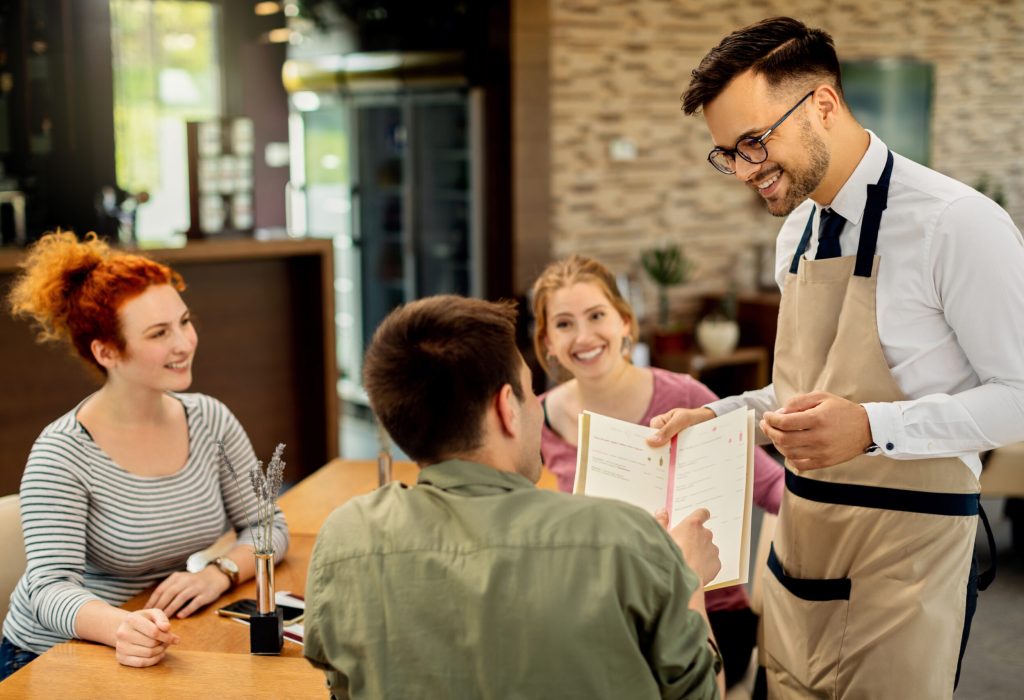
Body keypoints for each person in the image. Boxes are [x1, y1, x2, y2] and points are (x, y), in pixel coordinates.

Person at [647, 16, 1024, 698]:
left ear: (823, 104)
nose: (743, 171)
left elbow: (1018, 397)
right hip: (800, 550)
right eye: (727, 152)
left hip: (908, 562)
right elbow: (799, 390)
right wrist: (723, 416)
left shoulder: (957, 225)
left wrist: (873, 429)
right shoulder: (797, 228)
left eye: (755, 142)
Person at [303, 295, 725, 699]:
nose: (538, 410)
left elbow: (342, 686)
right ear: (507, 407)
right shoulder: (626, 539)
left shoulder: (344, 539)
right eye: (528, 391)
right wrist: (687, 578)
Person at [0, 231, 289, 679]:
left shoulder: (210, 419)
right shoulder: (61, 453)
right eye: (159, 333)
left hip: (156, 634)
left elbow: (267, 525)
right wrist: (122, 626)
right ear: (106, 351)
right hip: (51, 657)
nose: (184, 344)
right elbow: (48, 588)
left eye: (185, 321)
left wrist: (218, 572)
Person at [531, 254, 784, 688]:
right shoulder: (539, 420)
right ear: (547, 341)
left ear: (625, 323)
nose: (584, 336)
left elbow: (773, 486)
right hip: (606, 612)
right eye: (565, 323)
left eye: (597, 316)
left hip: (710, 611)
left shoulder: (683, 397)